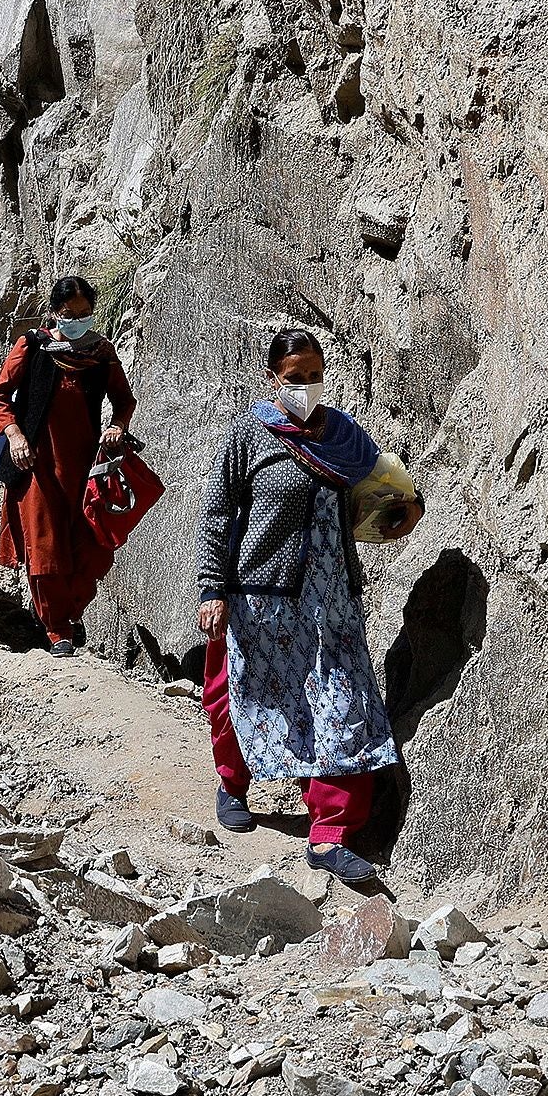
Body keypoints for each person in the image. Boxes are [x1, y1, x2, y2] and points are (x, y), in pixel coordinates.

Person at [195, 325, 413, 881]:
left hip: (332, 596)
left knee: (343, 704)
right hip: (261, 594)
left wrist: (401, 516)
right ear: (273, 379)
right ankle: (233, 782)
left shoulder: (344, 435)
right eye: (296, 379)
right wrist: (213, 589)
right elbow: (219, 516)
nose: (308, 388)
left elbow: (382, 495)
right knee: (244, 694)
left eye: (316, 377)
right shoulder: (247, 436)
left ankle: (330, 832)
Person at [0, 276, 137, 655]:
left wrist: (118, 426)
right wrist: (15, 436)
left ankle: (70, 614)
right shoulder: (34, 345)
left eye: (85, 313)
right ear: (56, 312)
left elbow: (124, 400)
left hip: (83, 464)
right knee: (45, 544)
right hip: (35, 462)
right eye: (71, 314)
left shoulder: (101, 353)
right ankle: (57, 630)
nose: (78, 320)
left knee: (87, 545)